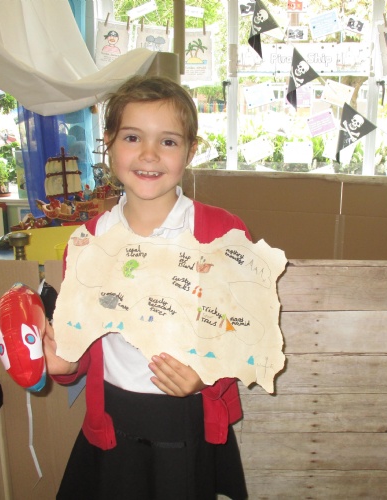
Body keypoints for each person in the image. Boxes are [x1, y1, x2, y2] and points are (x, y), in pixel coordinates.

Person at [43, 75, 248, 500]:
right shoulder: (86, 243)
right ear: (109, 143)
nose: (149, 154)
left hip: (187, 418)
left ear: (191, 150)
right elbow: (82, 343)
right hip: (114, 420)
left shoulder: (222, 233)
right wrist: (65, 363)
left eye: (168, 141)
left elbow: (244, 330)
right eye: (133, 137)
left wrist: (207, 375)